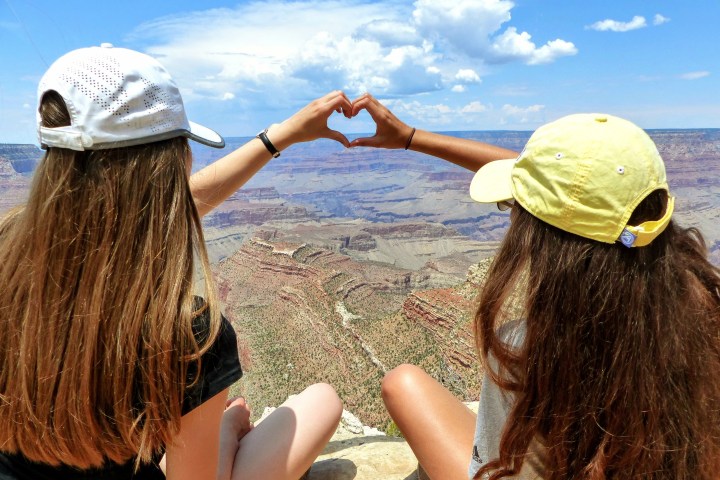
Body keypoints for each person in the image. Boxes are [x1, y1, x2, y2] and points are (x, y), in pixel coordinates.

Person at [0, 44, 350, 480]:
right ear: (173, 162)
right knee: (321, 402)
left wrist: (276, 138)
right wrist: (221, 433)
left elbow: (149, 215)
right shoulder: (188, 333)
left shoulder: (8, 248)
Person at [351, 94, 720, 479]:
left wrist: (412, 137)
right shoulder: (706, 308)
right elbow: (581, 200)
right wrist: (410, 137)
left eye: (513, 208)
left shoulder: (530, 350)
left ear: (539, 239)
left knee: (402, 384)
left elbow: (493, 472)